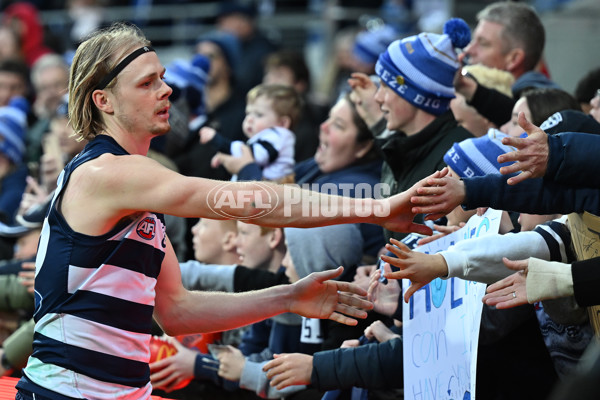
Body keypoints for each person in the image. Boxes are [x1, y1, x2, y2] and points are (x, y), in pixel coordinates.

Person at [15, 22, 432, 399]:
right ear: (103, 100)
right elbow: (252, 201)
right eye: (146, 84)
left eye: (162, 78)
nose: (166, 90)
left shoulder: (137, 189)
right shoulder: (107, 173)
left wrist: (287, 296)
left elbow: (177, 311)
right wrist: (377, 209)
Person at [352, 17, 474, 243]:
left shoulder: (456, 159)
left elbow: (441, 251)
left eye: (387, 87)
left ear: (416, 97)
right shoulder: (398, 147)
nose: (378, 98)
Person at [200, 83, 299, 182]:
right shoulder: (268, 138)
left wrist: (220, 142)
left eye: (259, 114)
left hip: (271, 191)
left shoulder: (278, 137)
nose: (249, 119)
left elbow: (253, 155)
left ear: (282, 123)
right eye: (248, 113)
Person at [262, 50, 328, 163]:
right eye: (268, 74)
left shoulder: (308, 130)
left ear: (299, 85)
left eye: (279, 76)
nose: (269, 82)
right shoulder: (259, 117)